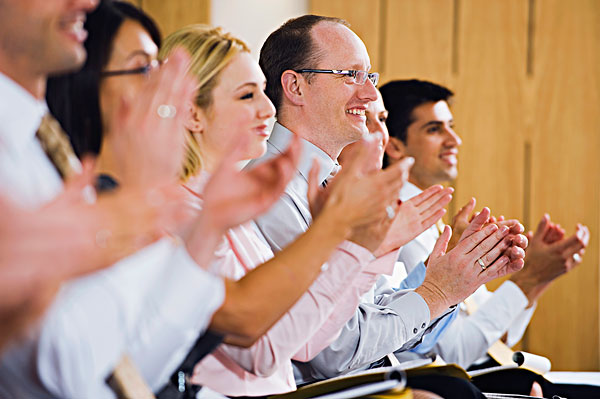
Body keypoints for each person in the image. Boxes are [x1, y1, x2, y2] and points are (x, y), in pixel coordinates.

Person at [251, 15, 527, 399]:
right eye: (350, 75)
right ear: (295, 85)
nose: (367, 95)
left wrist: (447, 282)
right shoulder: (269, 189)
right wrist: (435, 294)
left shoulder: (329, 182)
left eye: (370, 78)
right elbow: (331, 352)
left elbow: (368, 311)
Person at [380, 78, 594, 398]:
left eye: (451, 126)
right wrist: (525, 281)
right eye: (435, 129)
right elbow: (456, 352)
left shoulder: (436, 224)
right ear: (394, 145)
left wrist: (534, 280)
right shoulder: (396, 228)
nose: (455, 139)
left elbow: (495, 339)